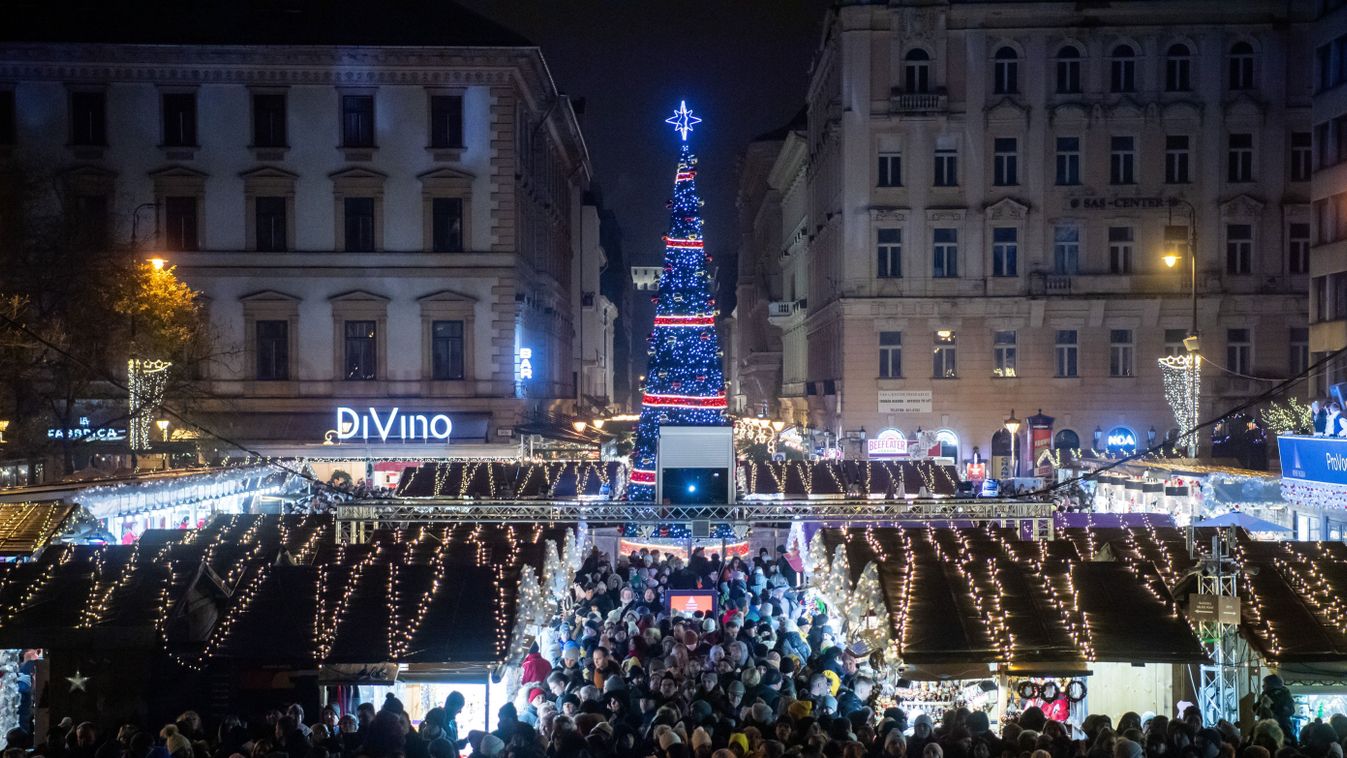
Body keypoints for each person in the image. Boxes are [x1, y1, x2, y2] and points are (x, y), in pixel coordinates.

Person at [1256, 674, 1297, 741]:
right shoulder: (1265, 695)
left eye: (1265, 684)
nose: (1263, 686)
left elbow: (1290, 710)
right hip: (1268, 726)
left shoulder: (1283, 695)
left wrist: (1273, 707)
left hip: (1281, 726)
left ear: (1271, 685)